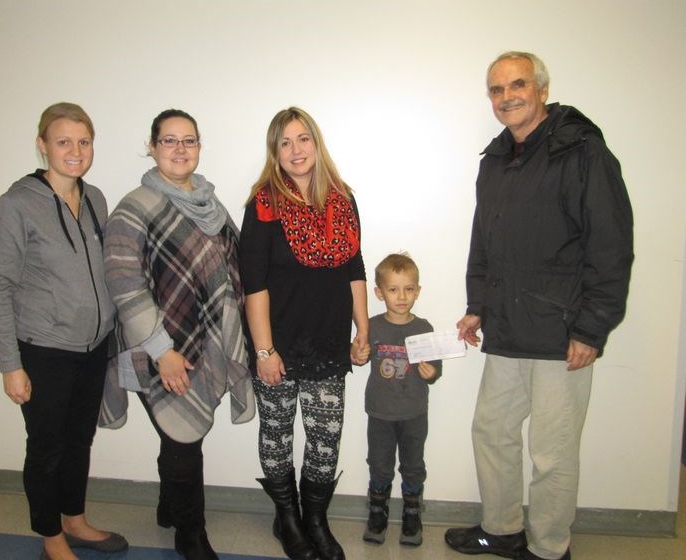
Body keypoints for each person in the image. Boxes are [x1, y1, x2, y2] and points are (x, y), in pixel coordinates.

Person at [444, 51, 634, 560]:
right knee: (492, 432)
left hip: (563, 333)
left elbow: (612, 248)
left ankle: (550, 549)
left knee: (551, 454)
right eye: (496, 89)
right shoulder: (496, 161)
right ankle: (502, 529)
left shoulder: (585, 153)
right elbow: (484, 241)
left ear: (542, 91)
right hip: (506, 328)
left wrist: (592, 329)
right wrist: (478, 304)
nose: (506, 97)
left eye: (517, 85)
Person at [102, 109, 255, 560]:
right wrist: (162, 351)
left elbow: (229, 273)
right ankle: (191, 533)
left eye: (188, 140)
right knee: (183, 437)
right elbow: (124, 283)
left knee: (180, 438)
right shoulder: (134, 207)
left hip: (205, 342)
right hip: (159, 347)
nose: (180, 149)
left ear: (200, 146)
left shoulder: (212, 203)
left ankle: (170, 507)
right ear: (151, 147)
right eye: (169, 141)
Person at [0, 102, 127, 560]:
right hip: (43, 349)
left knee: (78, 440)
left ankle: (75, 519)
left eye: (83, 142)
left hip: (93, 347)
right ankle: (51, 536)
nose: (75, 151)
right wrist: (11, 365)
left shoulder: (96, 199)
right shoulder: (15, 206)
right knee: (46, 447)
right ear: (42, 144)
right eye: (64, 141)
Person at [239, 106, 369, 560]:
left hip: (329, 342)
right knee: (277, 433)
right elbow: (252, 284)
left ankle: (316, 518)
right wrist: (263, 350)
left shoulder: (343, 199)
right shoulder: (263, 206)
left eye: (303, 139)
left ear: (316, 143)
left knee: (325, 439)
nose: (296, 150)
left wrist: (363, 330)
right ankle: (288, 519)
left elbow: (355, 268)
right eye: (285, 142)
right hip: (277, 344)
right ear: (275, 153)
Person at [357, 252, 442, 547]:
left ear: (418, 291)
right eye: (393, 290)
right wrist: (356, 353)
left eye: (408, 289)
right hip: (380, 412)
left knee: (413, 465)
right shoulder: (372, 325)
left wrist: (432, 372)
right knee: (379, 464)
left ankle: (411, 512)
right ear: (380, 293)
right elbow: (356, 353)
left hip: (414, 412)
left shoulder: (424, 328)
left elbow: (434, 368)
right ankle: (377, 512)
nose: (401, 297)